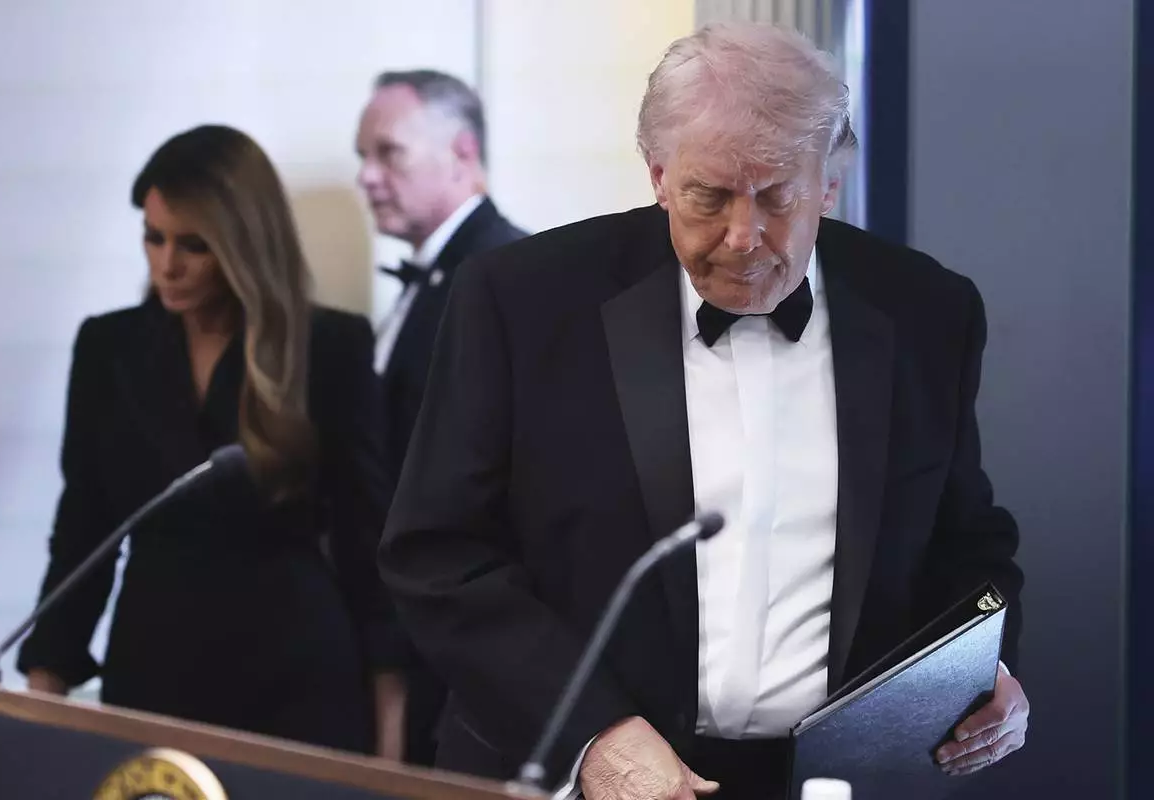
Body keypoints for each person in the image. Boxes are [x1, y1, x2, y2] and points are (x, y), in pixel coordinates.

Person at [378, 23, 1029, 800]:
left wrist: (982, 664)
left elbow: (968, 544)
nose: (743, 237)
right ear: (657, 174)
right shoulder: (518, 301)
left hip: (831, 782)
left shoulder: (928, 312)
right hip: (580, 774)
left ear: (829, 181)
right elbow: (438, 554)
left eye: (777, 196)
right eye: (708, 196)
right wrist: (596, 734)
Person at [18, 124, 404, 757]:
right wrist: (44, 685)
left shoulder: (328, 347)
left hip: (296, 675)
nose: (167, 264)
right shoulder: (108, 348)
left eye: (194, 245)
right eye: (154, 237)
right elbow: (84, 529)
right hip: (154, 669)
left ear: (245, 245)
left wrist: (392, 732)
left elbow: (371, 544)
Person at [355, 68, 526, 765]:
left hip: (459, 648)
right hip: (411, 634)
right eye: (361, 156)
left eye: (387, 153)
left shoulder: (503, 272)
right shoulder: (438, 275)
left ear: (461, 153)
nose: (366, 177)